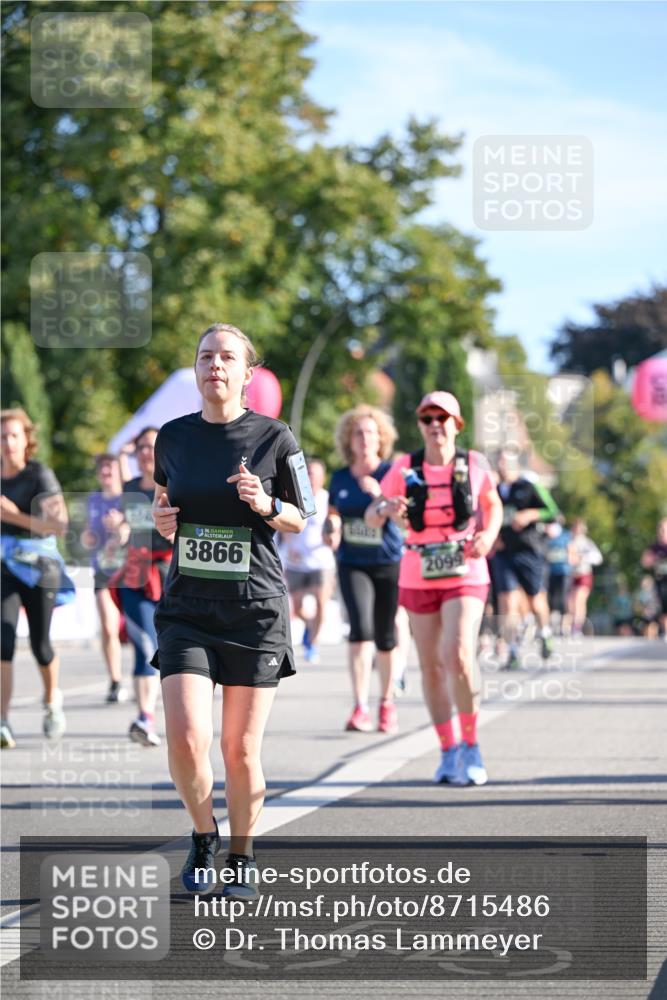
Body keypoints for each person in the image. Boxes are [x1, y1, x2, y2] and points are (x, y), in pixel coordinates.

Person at [151, 322, 309, 897]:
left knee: (239, 750)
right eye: (205, 357)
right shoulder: (171, 437)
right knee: (187, 738)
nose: (214, 365)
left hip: (254, 612)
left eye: (226, 358)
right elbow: (163, 500)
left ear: (247, 372)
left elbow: (301, 515)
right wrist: (161, 519)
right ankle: (202, 833)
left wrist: (267, 503)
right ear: (196, 370)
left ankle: (242, 853)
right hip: (188, 608)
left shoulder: (275, 437)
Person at [367, 391, 502, 786]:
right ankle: (448, 749)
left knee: (458, 655)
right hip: (417, 571)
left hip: (466, 570)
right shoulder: (403, 467)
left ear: (457, 424)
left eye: (442, 418)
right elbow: (372, 516)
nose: (435, 425)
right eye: (427, 418)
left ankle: (472, 744)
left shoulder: (475, 464)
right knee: (432, 666)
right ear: (419, 425)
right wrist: (385, 509)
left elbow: (492, 505)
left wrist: (488, 536)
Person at [325, 405, 402, 734]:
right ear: (349, 440)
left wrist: (381, 494)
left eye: (371, 432)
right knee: (360, 632)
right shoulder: (341, 477)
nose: (365, 438)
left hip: (387, 562)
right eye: (358, 433)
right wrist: (332, 526)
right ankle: (360, 707)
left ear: (381, 438)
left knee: (385, 637)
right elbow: (334, 513)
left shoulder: (392, 472)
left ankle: (386, 703)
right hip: (352, 562)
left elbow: (404, 516)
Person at [1, 408, 70, 748]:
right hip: (4, 567)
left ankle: (52, 699)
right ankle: (3, 722)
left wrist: (15, 517)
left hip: (40, 564)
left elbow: (59, 527)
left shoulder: (39, 475)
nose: (8, 443)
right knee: (3, 641)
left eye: (14, 435)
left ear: (26, 440)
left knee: (41, 645)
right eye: (2, 436)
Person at [113, 428, 173, 747]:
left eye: (150, 447)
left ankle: (179, 713)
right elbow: (123, 524)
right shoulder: (129, 488)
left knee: (169, 648)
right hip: (134, 575)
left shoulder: (175, 487)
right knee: (144, 645)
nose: (145, 453)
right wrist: (119, 531)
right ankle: (144, 716)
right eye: (140, 448)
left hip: (169, 575)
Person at [491, 451, 560, 669]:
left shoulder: (528, 486)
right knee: (508, 601)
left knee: (535, 601)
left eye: (506, 462)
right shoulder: (494, 491)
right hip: (504, 553)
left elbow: (552, 511)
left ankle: (544, 632)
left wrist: (529, 515)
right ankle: (512, 652)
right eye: (499, 462)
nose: (503, 466)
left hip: (529, 550)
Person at [278, 458, 335, 664]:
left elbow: (335, 523)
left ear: (322, 477)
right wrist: (289, 545)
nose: (311, 476)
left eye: (315, 473)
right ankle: (310, 627)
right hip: (296, 562)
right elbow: (284, 522)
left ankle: (312, 644)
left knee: (321, 604)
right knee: (300, 608)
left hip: (321, 562)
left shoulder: (327, 498)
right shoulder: (295, 495)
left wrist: (334, 536)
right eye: (309, 472)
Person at [81, 454, 128, 703]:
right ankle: (115, 681)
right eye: (102, 468)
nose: (106, 472)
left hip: (131, 570)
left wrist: (120, 529)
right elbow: (89, 534)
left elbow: (132, 531)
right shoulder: (93, 500)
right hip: (102, 571)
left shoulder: (128, 497)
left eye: (110, 467)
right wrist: (88, 537)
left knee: (143, 629)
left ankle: (152, 675)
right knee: (109, 628)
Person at [568, 518, 603, 635]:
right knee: (570, 602)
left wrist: (581, 557)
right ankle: (571, 624)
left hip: (584, 574)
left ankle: (576, 628)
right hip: (570, 575)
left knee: (579, 600)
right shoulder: (568, 540)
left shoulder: (587, 543)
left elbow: (598, 558)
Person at [545, 519, 575, 636]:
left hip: (564, 571)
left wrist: (571, 562)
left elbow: (571, 550)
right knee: (551, 599)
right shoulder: (547, 536)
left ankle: (565, 626)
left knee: (563, 599)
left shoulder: (565, 535)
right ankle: (552, 625)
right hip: (550, 572)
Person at [641, 518, 667, 639]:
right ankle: (665, 631)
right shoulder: (654, 547)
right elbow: (644, 561)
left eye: (664, 529)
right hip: (660, 580)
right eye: (660, 529)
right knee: (662, 606)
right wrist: (653, 560)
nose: (662, 532)